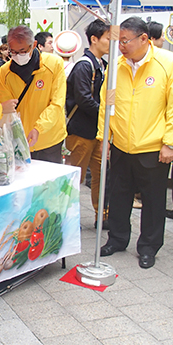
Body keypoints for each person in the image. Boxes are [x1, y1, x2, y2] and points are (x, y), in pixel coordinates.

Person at [98, 17, 173, 269]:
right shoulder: (116, 66)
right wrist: (104, 137)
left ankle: (148, 246)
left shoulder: (170, 64)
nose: (121, 46)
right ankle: (116, 239)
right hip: (121, 144)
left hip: (153, 146)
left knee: (153, 200)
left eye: (125, 41)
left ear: (144, 39)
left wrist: (170, 142)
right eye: (119, 41)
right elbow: (107, 102)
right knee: (118, 196)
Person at [0, 25, 67, 163]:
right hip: (18, 142)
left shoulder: (54, 64)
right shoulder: (5, 72)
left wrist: (39, 128)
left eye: (22, 51)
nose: (18, 56)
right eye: (13, 52)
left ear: (34, 45)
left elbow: (57, 103)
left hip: (49, 140)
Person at [65, 19, 111, 229]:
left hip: (97, 132)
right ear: (94, 39)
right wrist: (105, 115)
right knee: (76, 176)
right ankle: (66, 215)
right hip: (82, 131)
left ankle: (102, 215)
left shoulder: (104, 65)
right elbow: (83, 99)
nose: (113, 44)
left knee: (101, 176)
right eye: (109, 39)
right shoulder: (84, 65)